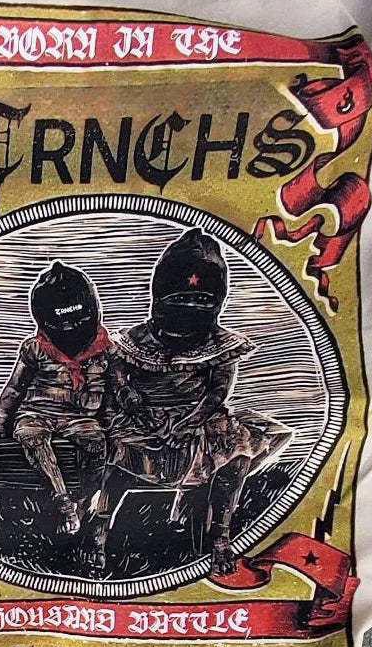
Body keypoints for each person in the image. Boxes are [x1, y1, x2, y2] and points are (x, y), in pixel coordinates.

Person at [99, 228, 292, 575]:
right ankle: (98, 528)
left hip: (199, 421)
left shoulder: (222, 344)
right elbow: (117, 376)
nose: (189, 308)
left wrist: (189, 421)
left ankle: (220, 536)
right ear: (160, 296)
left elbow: (219, 391)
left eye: (200, 300)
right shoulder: (134, 339)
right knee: (114, 458)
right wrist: (133, 403)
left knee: (237, 454)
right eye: (180, 299)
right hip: (142, 419)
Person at [0, 260, 113, 536]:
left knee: (96, 444)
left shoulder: (106, 350)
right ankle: (63, 502)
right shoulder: (35, 348)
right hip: (37, 412)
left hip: (80, 418)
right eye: (62, 323)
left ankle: (85, 503)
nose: (70, 329)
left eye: (78, 321)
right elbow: (14, 388)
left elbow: (115, 390)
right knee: (31, 437)